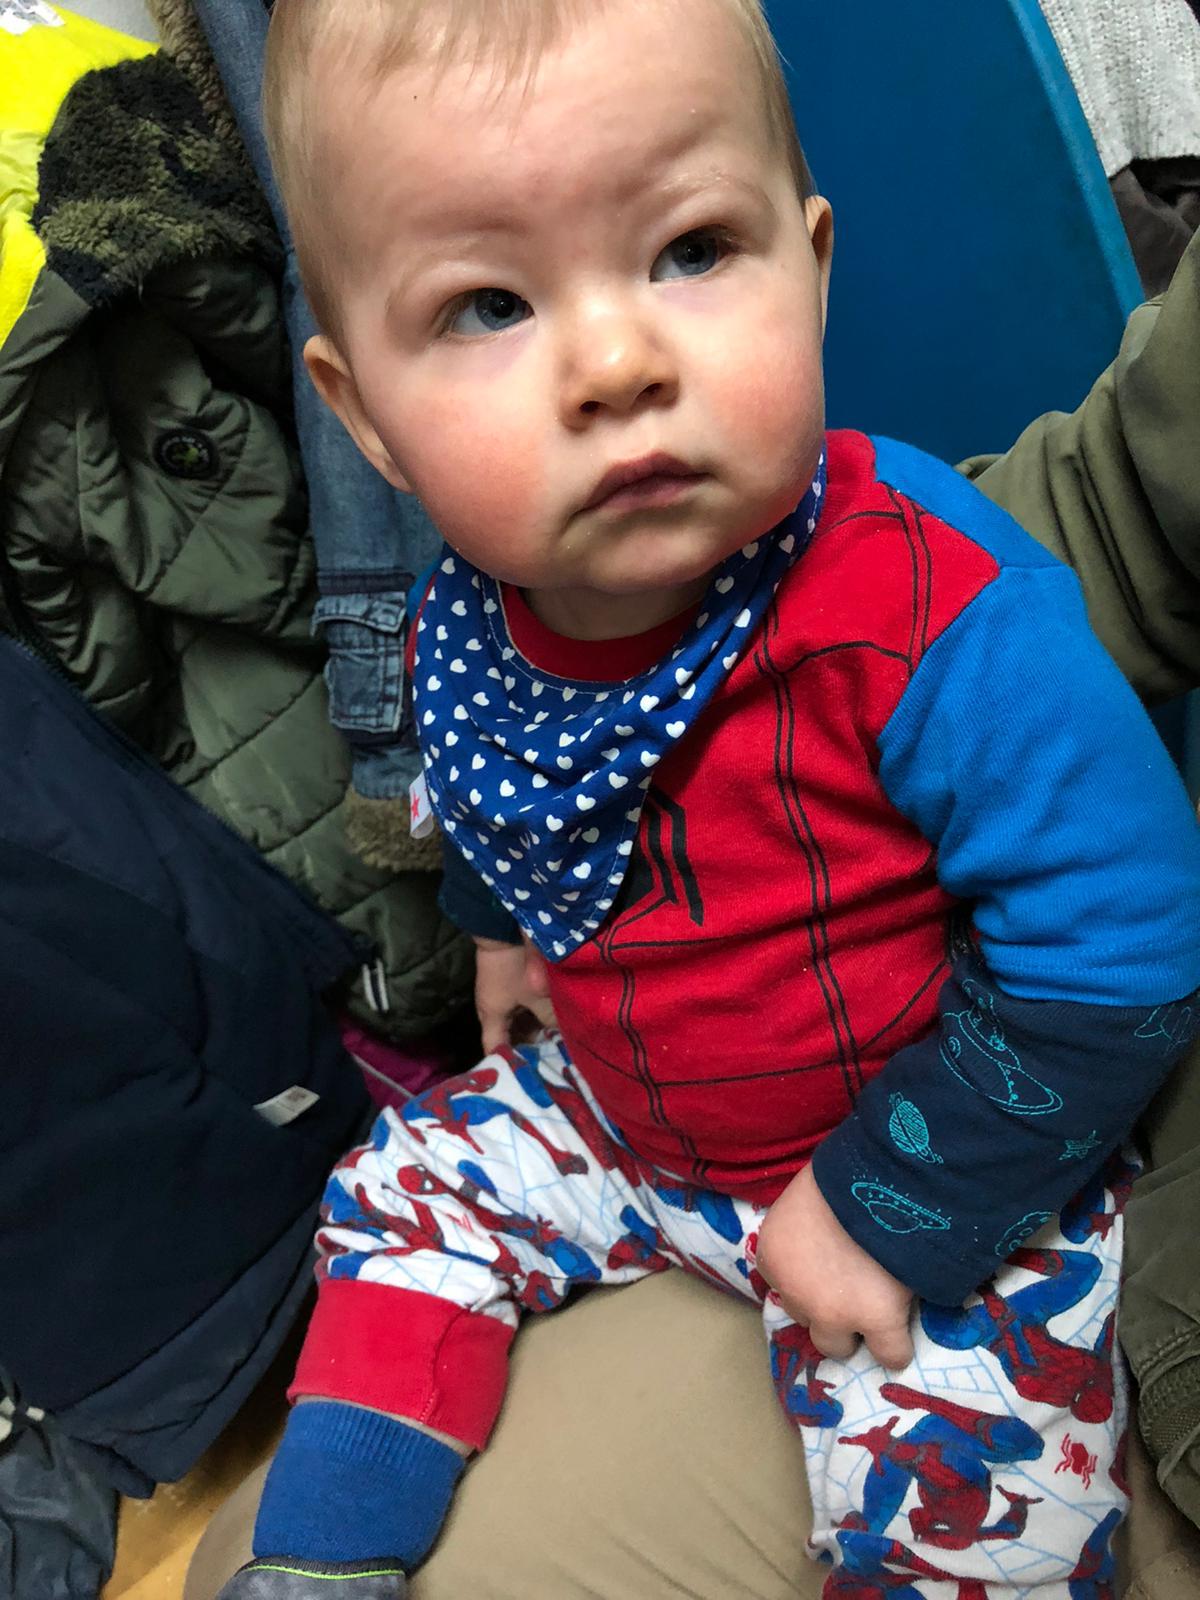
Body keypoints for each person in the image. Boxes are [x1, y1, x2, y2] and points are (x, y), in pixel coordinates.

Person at [214, 2, 1200, 1597]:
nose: (617, 363)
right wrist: (502, 925)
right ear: (365, 415)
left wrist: (889, 1205)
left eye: (690, 250)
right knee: (394, 1191)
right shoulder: (468, 610)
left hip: (935, 1157)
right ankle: (326, 1549)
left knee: (986, 1514)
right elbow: (509, 774)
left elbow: (1126, 940)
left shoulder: (930, 607)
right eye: (486, 304)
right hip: (624, 1110)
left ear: (811, 263)